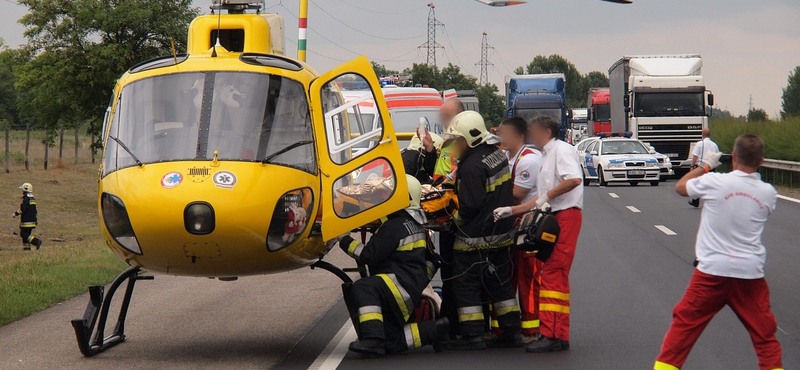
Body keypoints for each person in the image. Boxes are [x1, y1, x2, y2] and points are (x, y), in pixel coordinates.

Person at [654, 135, 783, 370]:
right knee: (765, 336)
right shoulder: (768, 193)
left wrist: (705, 167)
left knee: (684, 327)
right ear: (761, 161)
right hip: (749, 274)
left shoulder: (715, 182)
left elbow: (681, 187)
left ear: (733, 158)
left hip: (712, 272)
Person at [493, 115, 584, 353]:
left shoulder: (561, 150)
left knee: (553, 273)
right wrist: (511, 210)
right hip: (555, 215)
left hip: (565, 215)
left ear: (546, 132)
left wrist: (546, 198)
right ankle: (558, 333)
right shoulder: (546, 154)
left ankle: (551, 334)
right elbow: (539, 197)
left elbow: (573, 179)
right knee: (555, 274)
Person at [339, 175, 449, 357]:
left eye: (385, 195)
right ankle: (435, 330)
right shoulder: (415, 224)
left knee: (364, 287)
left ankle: (372, 339)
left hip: (398, 286)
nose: (382, 199)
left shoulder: (394, 226)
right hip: (407, 287)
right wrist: (420, 281)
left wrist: (342, 240)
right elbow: (433, 259)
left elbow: (368, 255)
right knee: (390, 341)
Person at [444, 111, 522, 350]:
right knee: (499, 282)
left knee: (465, 284)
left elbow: (470, 205)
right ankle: (512, 331)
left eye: (458, 139)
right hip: (500, 233)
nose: (455, 144)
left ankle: (473, 335)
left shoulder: (471, 166)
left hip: (475, 238)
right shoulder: (495, 155)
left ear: (470, 138)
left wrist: (452, 222)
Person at [495, 116, 543, 343]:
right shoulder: (506, 156)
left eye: (507, 134)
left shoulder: (529, 160)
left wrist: (490, 194)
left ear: (520, 136)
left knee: (527, 276)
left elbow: (518, 194)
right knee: (507, 274)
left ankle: (531, 329)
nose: (502, 139)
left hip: (528, 224)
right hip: (511, 222)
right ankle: (505, 328)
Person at [432, 98, 465, 339]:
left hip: (457, 218)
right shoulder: (447, 141)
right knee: (448, 271)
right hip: (444, 217)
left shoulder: (463, 144)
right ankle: (451, 321)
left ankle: (456, 325)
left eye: (448, 117)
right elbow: (441, 175)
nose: (444, 122)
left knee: (457, 273)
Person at [688, 128, 719, 207]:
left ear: (702, 135)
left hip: (702, 166)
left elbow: (695, 156)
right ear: (710, 135)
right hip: (711, 167)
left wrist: (692, 165)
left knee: (698, 183)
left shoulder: (700, 144)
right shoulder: (714, 144)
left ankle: (696, 201)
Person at [12, 183, 42, 251]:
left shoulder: (26, 199)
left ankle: (36, 241)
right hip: (32, 220)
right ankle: (27, 249)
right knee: (27, 235)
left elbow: (23, 209)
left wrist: (15, 214)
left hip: (26, 221)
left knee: (23, 234)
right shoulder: (32, 199)